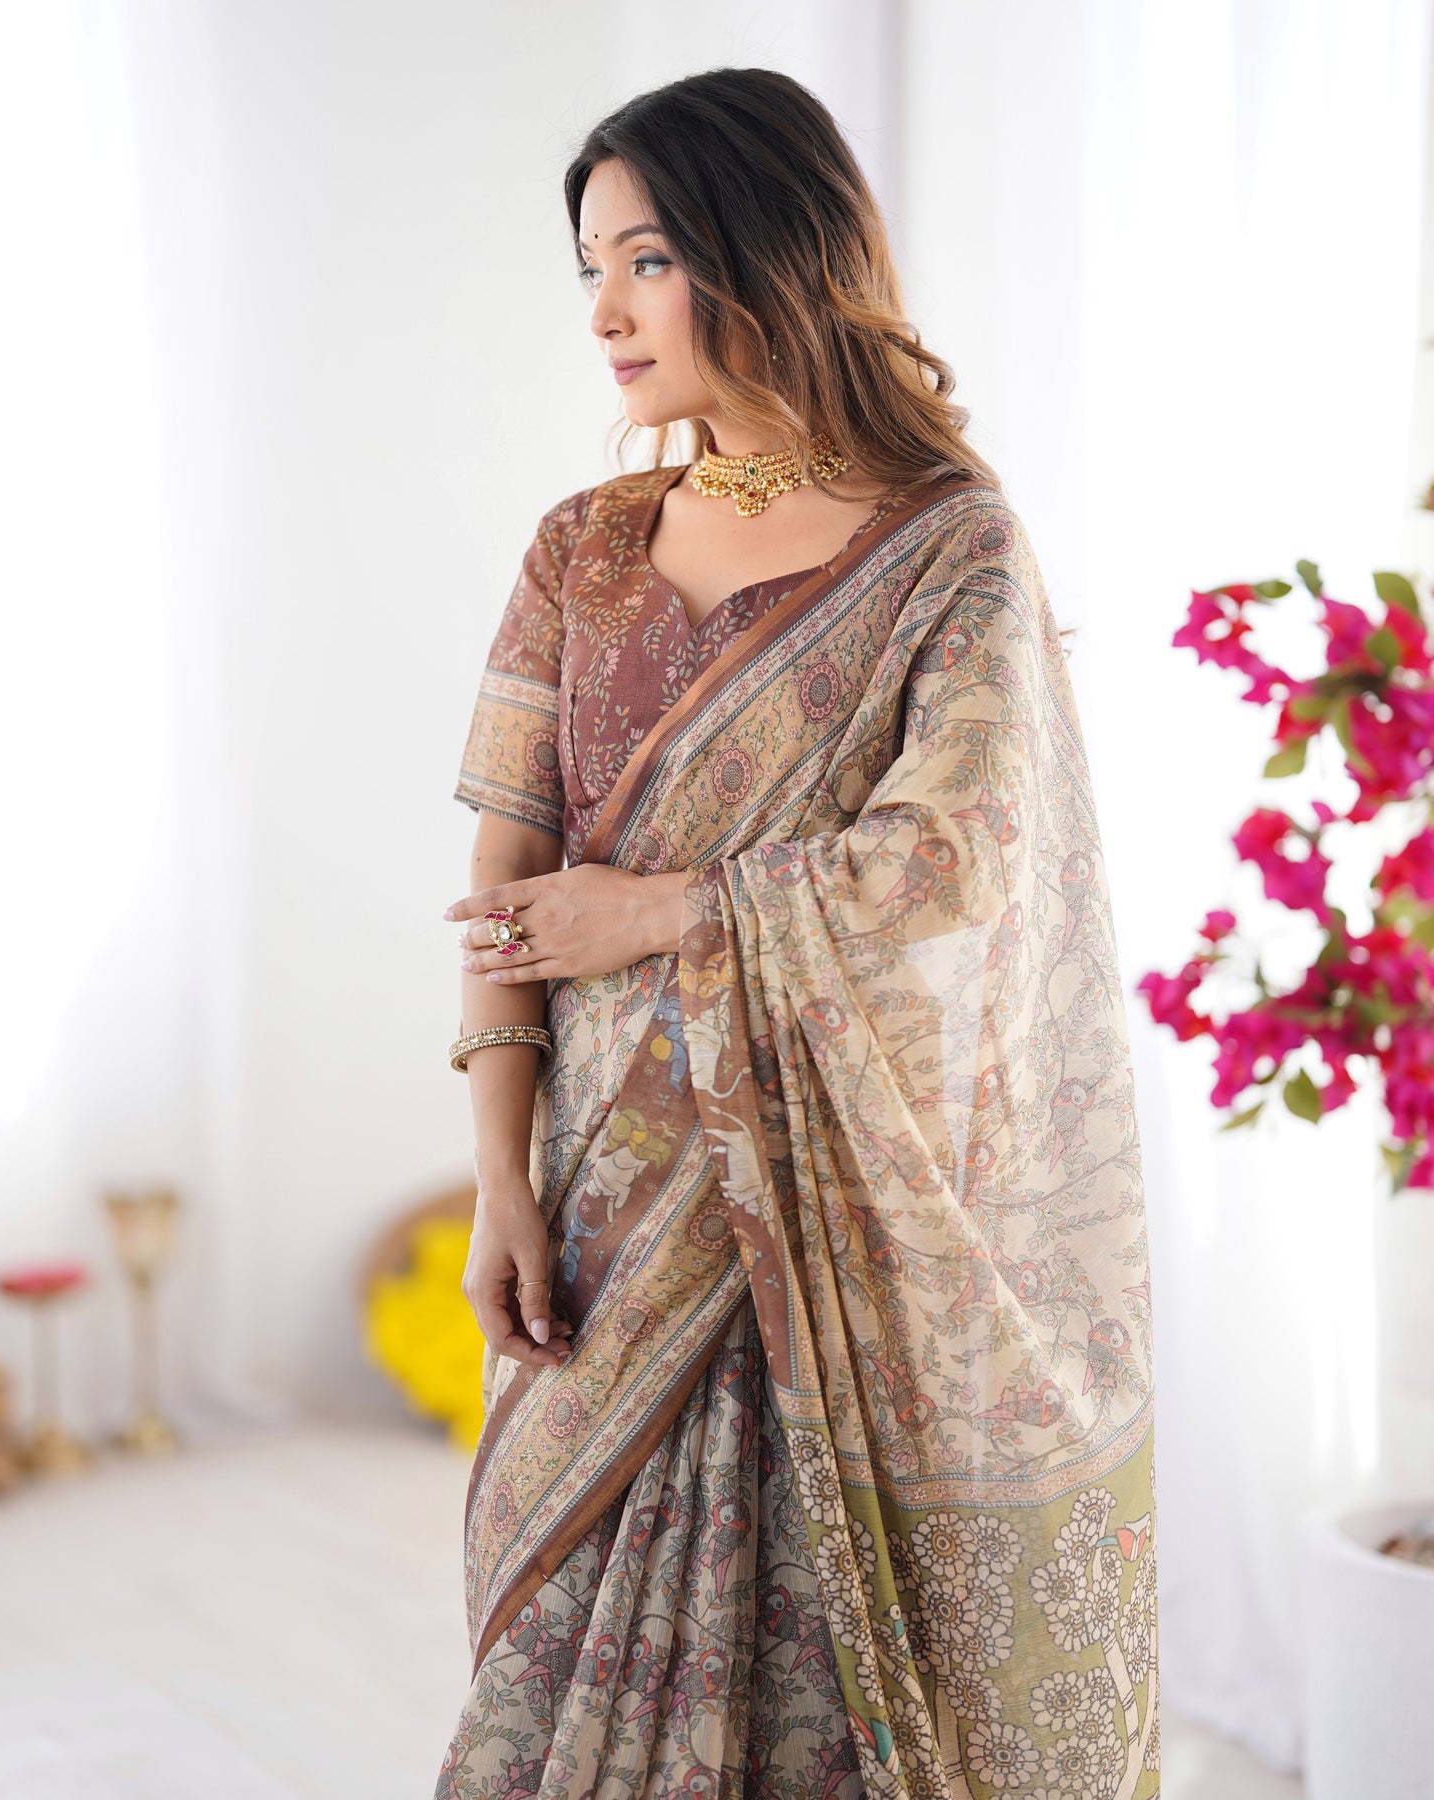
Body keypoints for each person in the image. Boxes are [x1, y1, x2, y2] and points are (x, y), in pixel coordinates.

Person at [434, 66, 1158, 1800]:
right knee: (541, 1696)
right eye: (592, 269)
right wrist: (499, 1180)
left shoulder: (951, 552)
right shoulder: (581, 551)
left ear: (767, 247)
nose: (605, 314)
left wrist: (664, 909)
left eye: (648, 261)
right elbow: (505, 885)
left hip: (840, 1233)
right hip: (606, 1221)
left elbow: (963, 864)